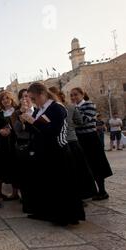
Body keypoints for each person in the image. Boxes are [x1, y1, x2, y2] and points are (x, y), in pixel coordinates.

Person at [21, 83, 85, 226]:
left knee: (62, 186)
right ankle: (51, 213)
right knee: (50, 186)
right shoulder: (40, 109)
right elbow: (37, 131)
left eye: (34, 98)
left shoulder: (57, 107)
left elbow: (53, 130)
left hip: (59, 151)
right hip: (45, 152)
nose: (33, 101)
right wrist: (28, 121)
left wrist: (34, 122)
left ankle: (66, 216)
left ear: (42, 94)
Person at [49, 87, 97, 201]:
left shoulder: (52, 109)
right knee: (80, 169)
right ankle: (85, 194)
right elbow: (79, 121)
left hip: (63, 142)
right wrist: (71, 127)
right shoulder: (70, 107)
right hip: (73, 140)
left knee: (70, 171)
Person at [70, 88, 113, 201]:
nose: (73, 97)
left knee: (97, 164)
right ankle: (91, 191)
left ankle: (102, 191)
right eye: (71, 95)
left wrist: (73, 115)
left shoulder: (89, 105)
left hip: (91, 138)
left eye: (75, 95)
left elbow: (83, 120)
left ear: (82, 94)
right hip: (80, 139)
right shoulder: (75, 107)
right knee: (86, 166)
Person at [11, 89, 37, 213]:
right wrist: (21, 117)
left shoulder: (38, 110)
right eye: (23, 97)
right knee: (25, 177)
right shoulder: (16, 113)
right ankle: (29, 205)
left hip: (37, 145)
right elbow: (16, 131)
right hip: (23, 147)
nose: (26, 99)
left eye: (28, 96)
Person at [0, 91, 20, 201]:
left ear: (11, 99)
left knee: (18, 169)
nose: (5, 100)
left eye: (7, 98)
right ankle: (10, 193)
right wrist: (0, 131)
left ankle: (19, 192)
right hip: (5, 145)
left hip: (17, 142)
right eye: (3, 99)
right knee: (9, 169)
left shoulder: (18, 111)